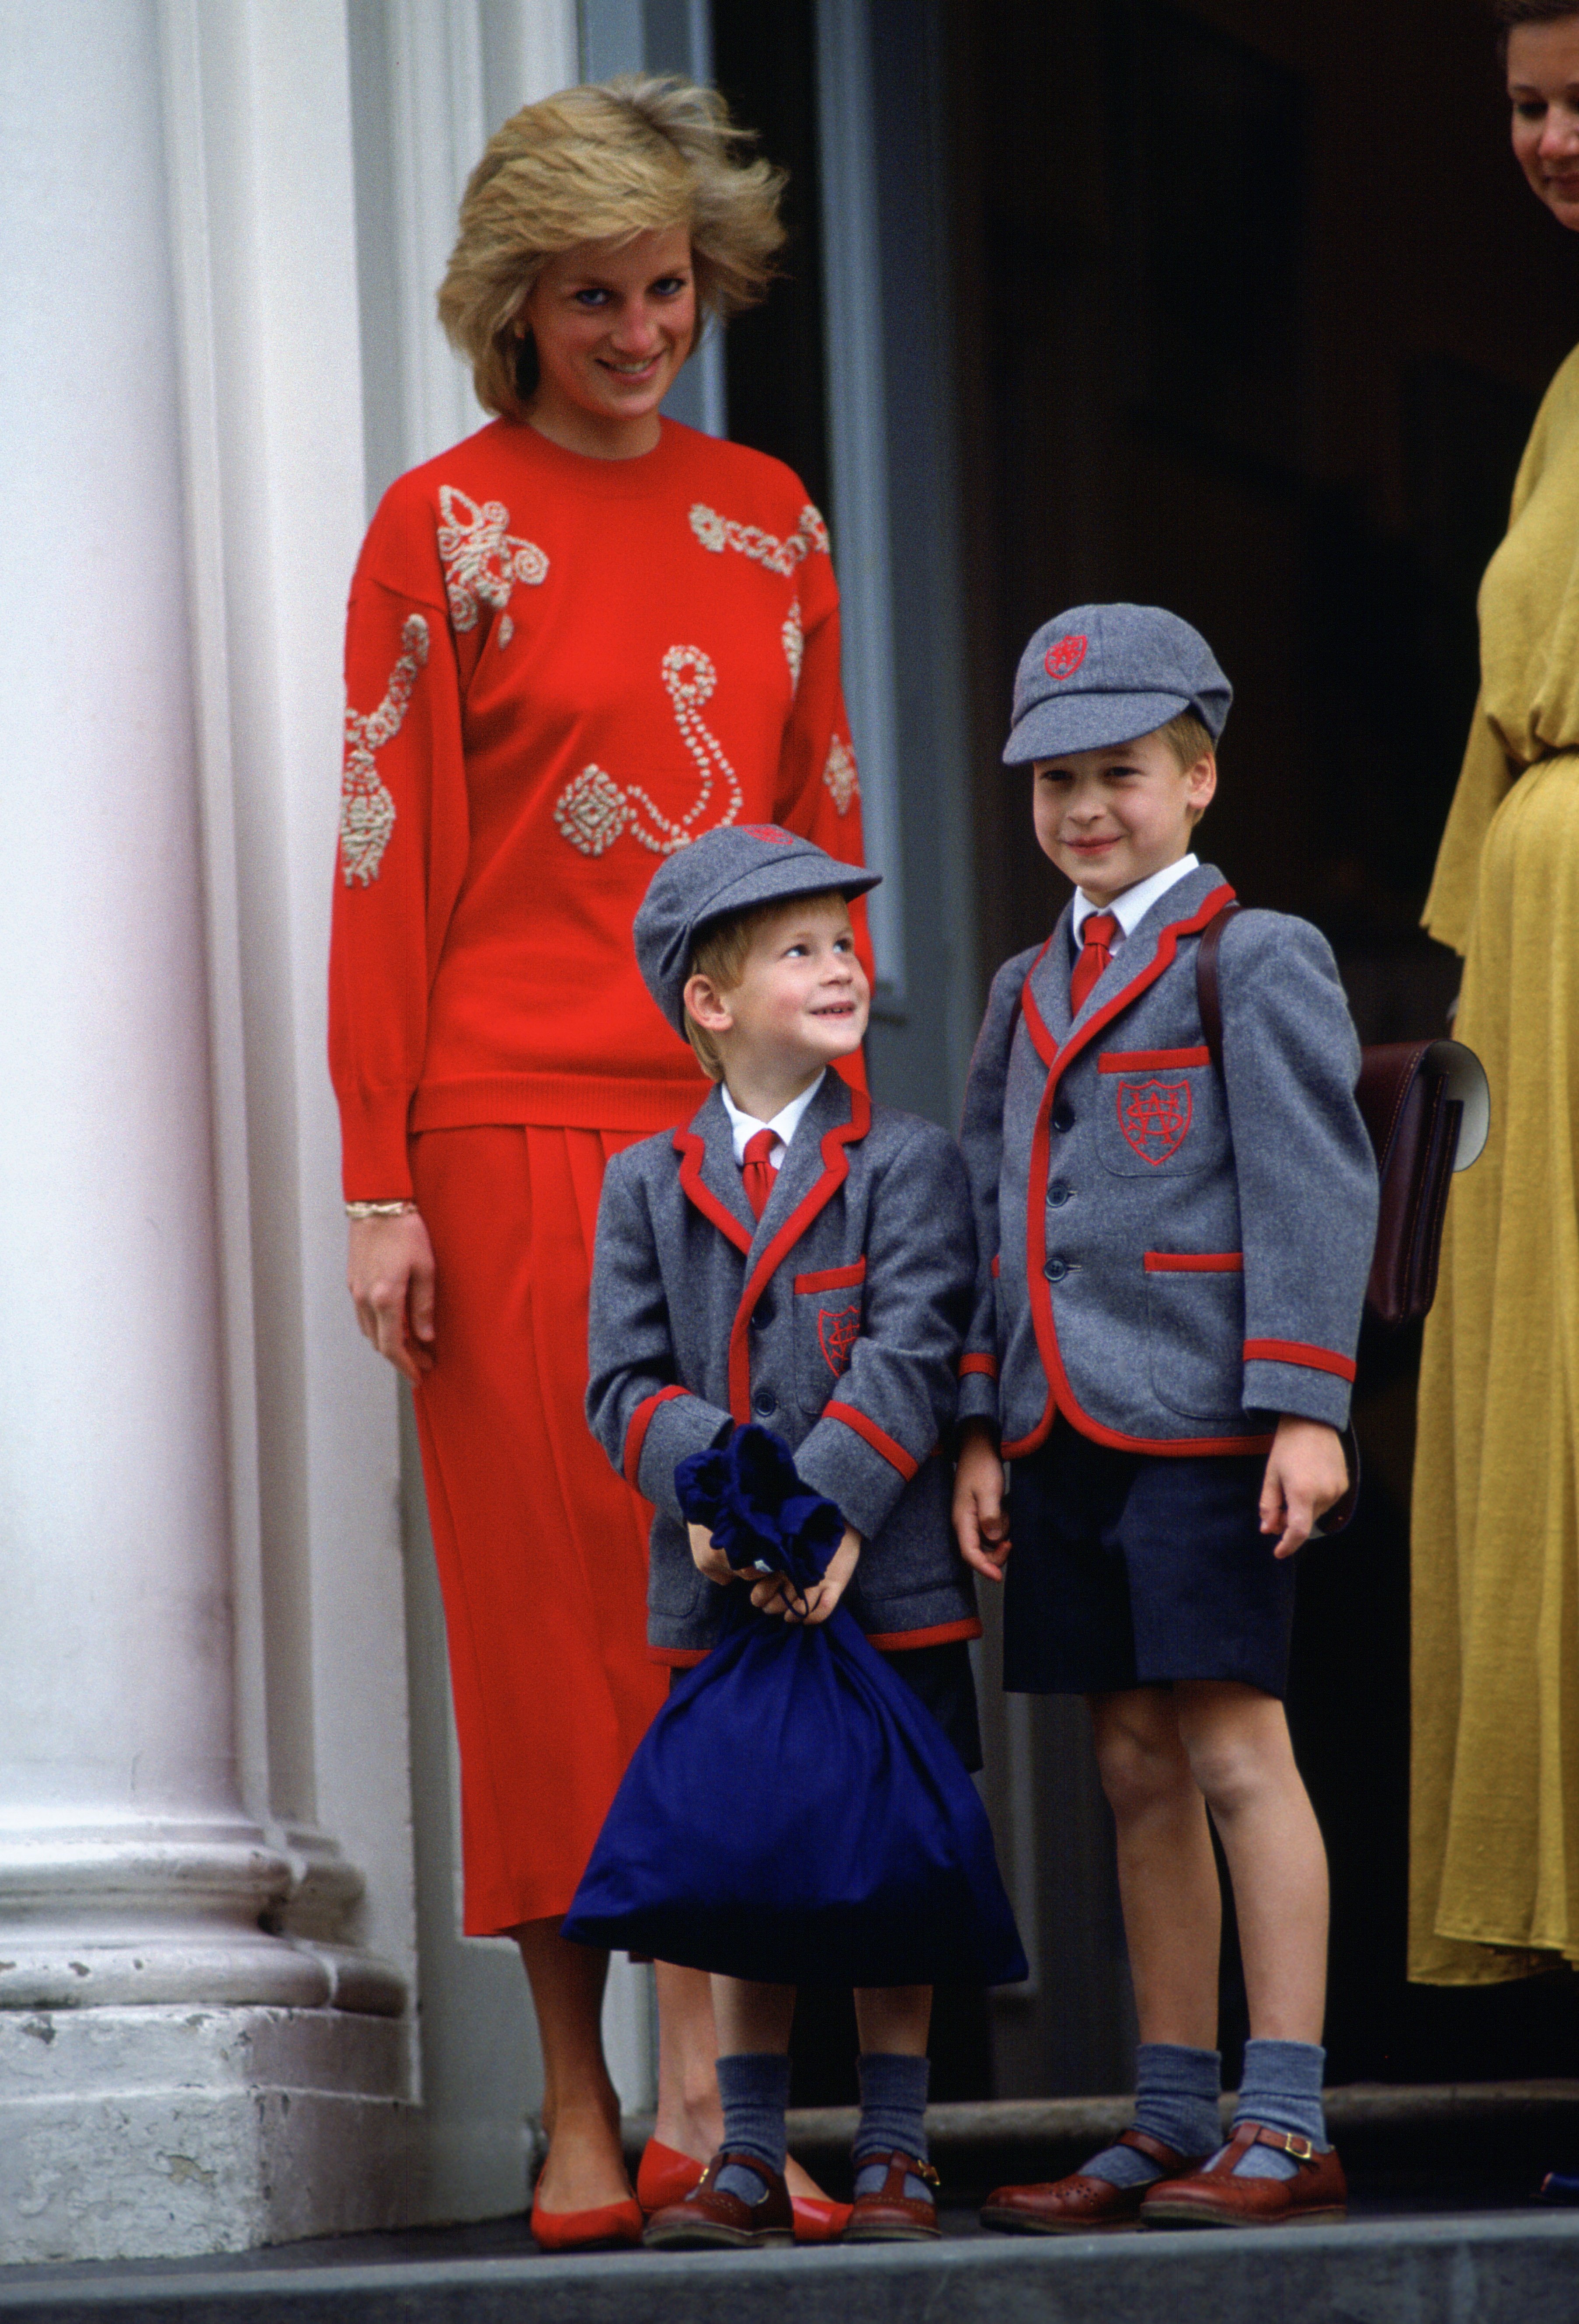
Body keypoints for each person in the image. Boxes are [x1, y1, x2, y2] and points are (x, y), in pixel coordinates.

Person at [328, 77, 872, 2250]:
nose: (643, 331)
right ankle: (579, 2112)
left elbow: (822, 841)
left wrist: (835, 1129)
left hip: (731, 1136)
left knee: (741, 1606)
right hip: (503, 1133)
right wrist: (381, 1180)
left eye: (668, 289)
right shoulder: (439, 524)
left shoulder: (778, 521)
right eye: (594, 299)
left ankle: (721, 2123)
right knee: (552, 1629)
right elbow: (387, 871)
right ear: (514, 305)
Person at [954, 605, 1377, 2232]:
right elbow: (1003, 1215)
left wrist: (1304, 1408)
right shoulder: (1019, 984)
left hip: (1208, 1417)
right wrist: (986, 1423)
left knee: (1229, 1742)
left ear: (1196, 780)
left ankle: (1284, 2112)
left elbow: (1309, 1180)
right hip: (1064, 1427)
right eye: (1055, 779)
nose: (1083, 808)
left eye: (1119, 773)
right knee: (1128, 1761)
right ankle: (1169, 2107)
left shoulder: (1250, 953)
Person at [583, 825, 987, 2248]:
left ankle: (893, 2148)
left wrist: (815, 1515)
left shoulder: (911, 1161)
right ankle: (748, 2151)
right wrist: (730, 1514)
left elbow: (911, 1351)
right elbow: (622, 1385)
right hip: (728, 1588)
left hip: (885, 1577)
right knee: (746, 1869)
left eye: (844, 943)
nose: (841, 965)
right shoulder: (643, 1182)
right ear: (710, 998)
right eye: (801, 948)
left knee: (894, 1864)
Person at [1411, 3, 1579, 2043]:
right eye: (1529, 105)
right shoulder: (1558, 390)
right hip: (1542, 989)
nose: (1552, 140)